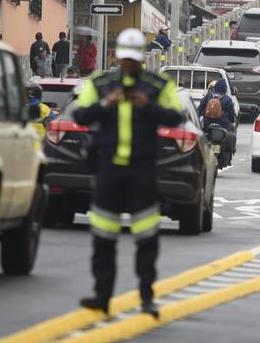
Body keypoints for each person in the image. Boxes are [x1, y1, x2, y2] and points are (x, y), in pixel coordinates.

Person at [73, 28, 183, 319]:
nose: (129, 64)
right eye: (126, 59)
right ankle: (102, 297)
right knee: (103, 237)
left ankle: (146, 297)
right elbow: (80, 115)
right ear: (118, 57)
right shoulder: (100, 83)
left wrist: (149, 107)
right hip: (108, 169)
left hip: (142, 170)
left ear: (141, 58)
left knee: (147, 238)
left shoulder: (158, 85)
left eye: (134, 59)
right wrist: (105, 104)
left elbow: (177, 116)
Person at [197, 78, 237, 157]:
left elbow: (200, 108)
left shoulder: (208, 96)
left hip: (207, 124)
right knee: (232, 131)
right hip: (223, 125)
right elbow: (231, 116)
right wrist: (231, 120)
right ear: (225, 89)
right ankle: (231, 151)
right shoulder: (227, 100)